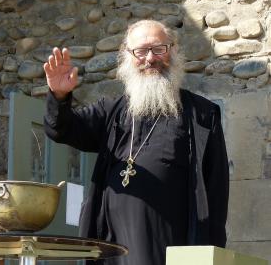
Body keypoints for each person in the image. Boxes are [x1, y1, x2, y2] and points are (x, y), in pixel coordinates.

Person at [43, 19, 229, 265]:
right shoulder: (111, 111)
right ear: (128, 56)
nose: (150, 58)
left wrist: (209, 255)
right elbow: (62, 130)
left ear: (172, 50)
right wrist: (59, 96)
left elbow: (216, 193)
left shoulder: (202, 116)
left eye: (158, 49)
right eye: (140, 51)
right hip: (112, 246)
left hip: (173, 246)